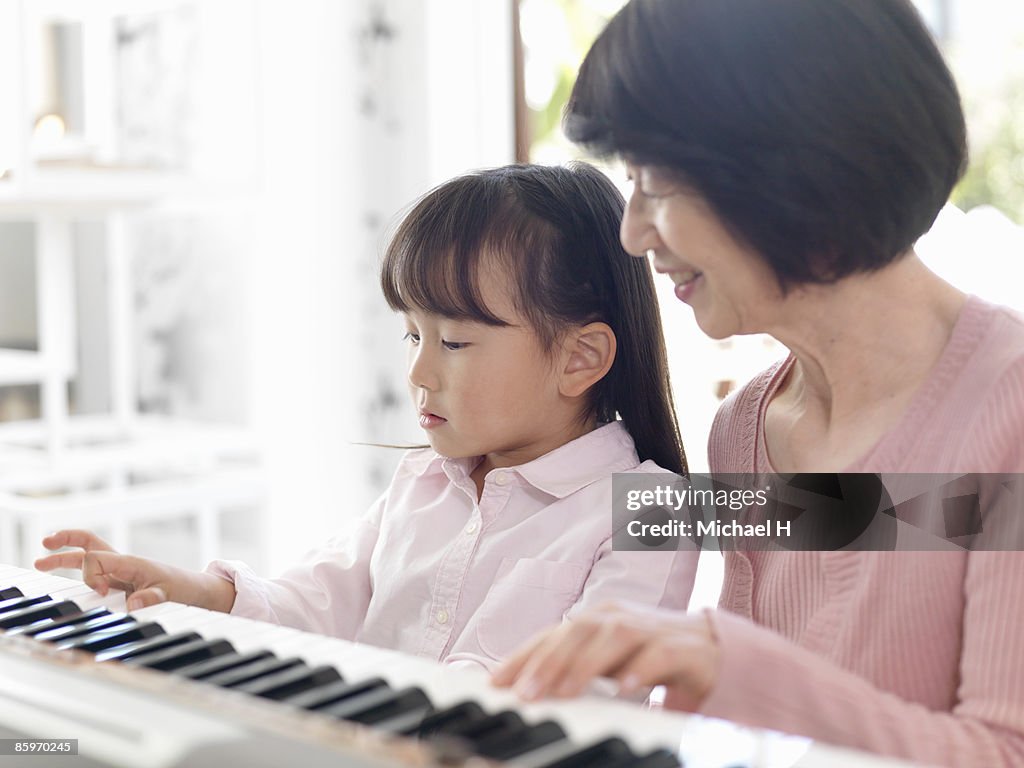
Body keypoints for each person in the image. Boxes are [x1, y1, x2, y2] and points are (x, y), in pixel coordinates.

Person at [492, 1, 1024, 765]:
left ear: (795, 171)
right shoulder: (745, 428)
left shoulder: (1009, 411)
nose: (633, 234)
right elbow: (765, 738)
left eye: (657, 186)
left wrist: (720, 660)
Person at [36, 162, 698, 672]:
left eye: (456, 342)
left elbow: (577, 693)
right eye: (413, 335)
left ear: (579, 359)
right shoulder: (423, 483)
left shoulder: (651, 513)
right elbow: (314, 603)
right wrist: (192, 590)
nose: (418, 372)